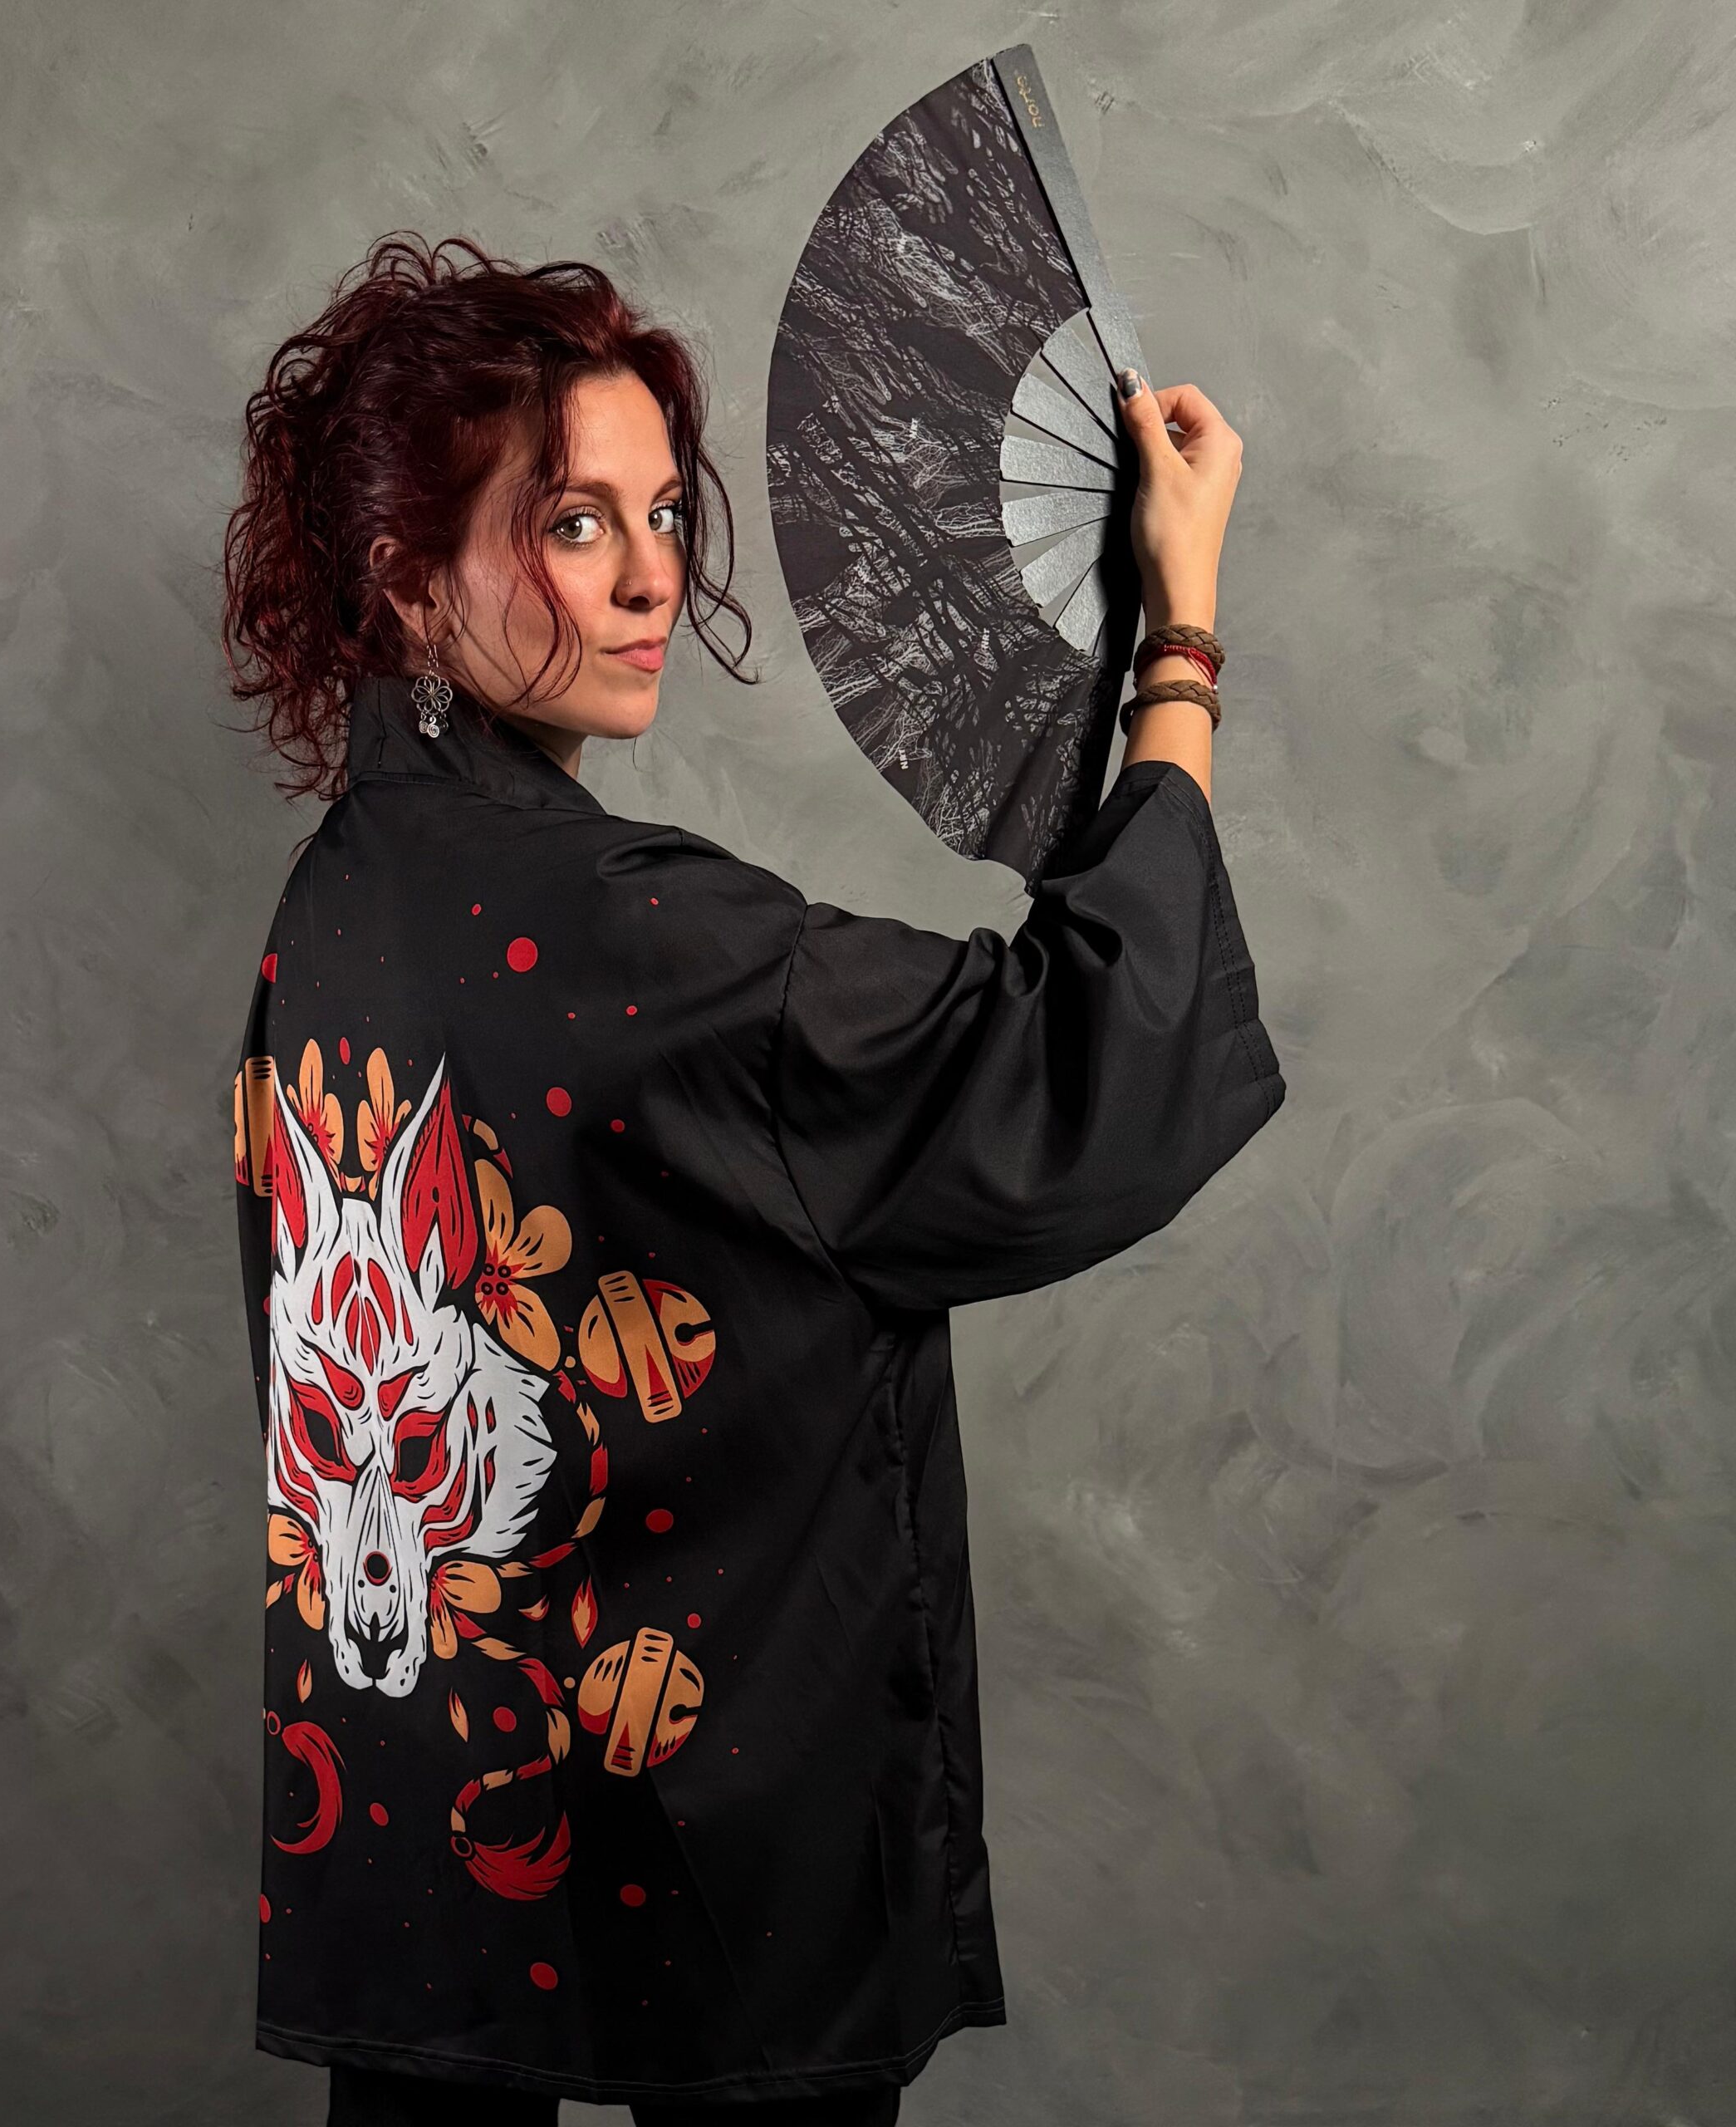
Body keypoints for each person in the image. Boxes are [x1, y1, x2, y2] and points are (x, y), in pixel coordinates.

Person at [223, 232, 1283, 2127]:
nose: (651, 577)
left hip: (420, 1817)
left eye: (657, 513)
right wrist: (1177, 641)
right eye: (571, 524)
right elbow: (1079, 1063)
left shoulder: (331, 904)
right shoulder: (651, 933)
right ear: (405, 574)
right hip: (718, 1841)